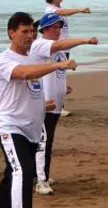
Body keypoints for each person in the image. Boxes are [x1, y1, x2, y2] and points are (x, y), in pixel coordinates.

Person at [0, 12, 78, 208]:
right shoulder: (3, 59)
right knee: (24, 172)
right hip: (10, 126)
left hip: (31, 129)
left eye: (32, 32)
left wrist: (44, 103)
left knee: (13, 172)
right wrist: (58, 64)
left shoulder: (35, 60)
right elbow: (24, 74)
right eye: (24, 31)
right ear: (11, 33)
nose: (29, 36)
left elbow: (33, 87)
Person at [31, 14, 97, 196]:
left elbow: (56, 69)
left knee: (48, 140)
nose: (58, 30)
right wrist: (84, 40)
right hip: (44, 103)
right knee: (42, 141)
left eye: (59, 27)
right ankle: (40, 180)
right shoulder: (40, 44)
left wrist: (62, 87)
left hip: (56, 103)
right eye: (54, 27)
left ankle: (41, 175)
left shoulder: (56, 50)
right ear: (44, 29)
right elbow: (59, 46)